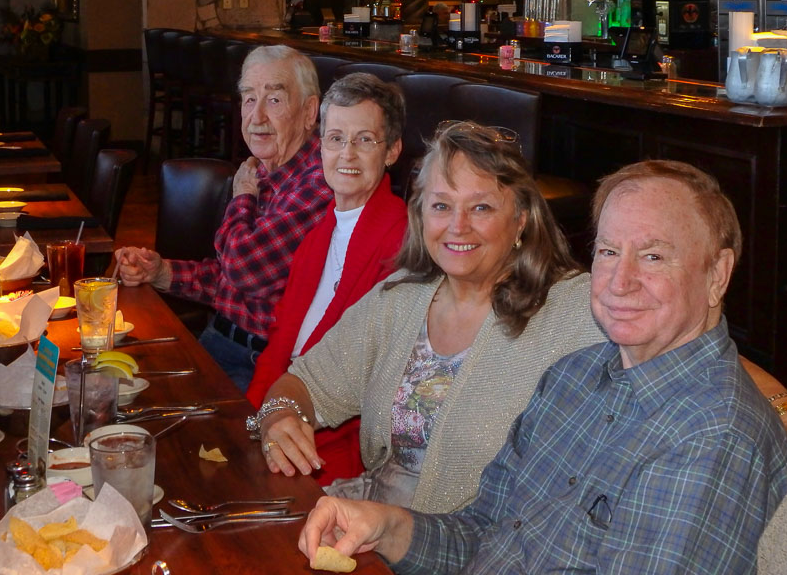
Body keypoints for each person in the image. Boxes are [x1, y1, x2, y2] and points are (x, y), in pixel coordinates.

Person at [298, 160, 787, 574]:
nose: (620, 281)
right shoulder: (574, 376)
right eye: (607, 251)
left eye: (653, 256)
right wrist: (387, 526)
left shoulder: (711, 436)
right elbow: (484, 534)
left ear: (718, 275)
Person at [252, 121, 606, 513]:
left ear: (521, 218)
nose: (458, 226)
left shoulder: (574, 311)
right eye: (441, 206)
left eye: (481, 207)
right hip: (365, 524)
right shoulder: (403, 297)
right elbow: (303, 383)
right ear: (420, 214)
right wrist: (278, 418)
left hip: (479, 551)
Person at [115, 45, 333, 391]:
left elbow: (246, 271)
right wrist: (161, 271)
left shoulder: (319, 181)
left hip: (263, 367)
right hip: (221, 339)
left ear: (309, 112)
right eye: (249, 99)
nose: (256, 117)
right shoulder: (264, 170)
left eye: (274, 100)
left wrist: (242, 197)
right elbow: (230, 278)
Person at [245, 73, 408, 485]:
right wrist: (252, 418)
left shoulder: (402, 240)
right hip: (281, 422)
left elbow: (366, 379)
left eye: (365, 140)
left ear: (392, 151)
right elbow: (280, 341)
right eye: (335, 138)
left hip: (329, 444)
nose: (346, 154)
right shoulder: (319, 235)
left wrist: (272, 423)